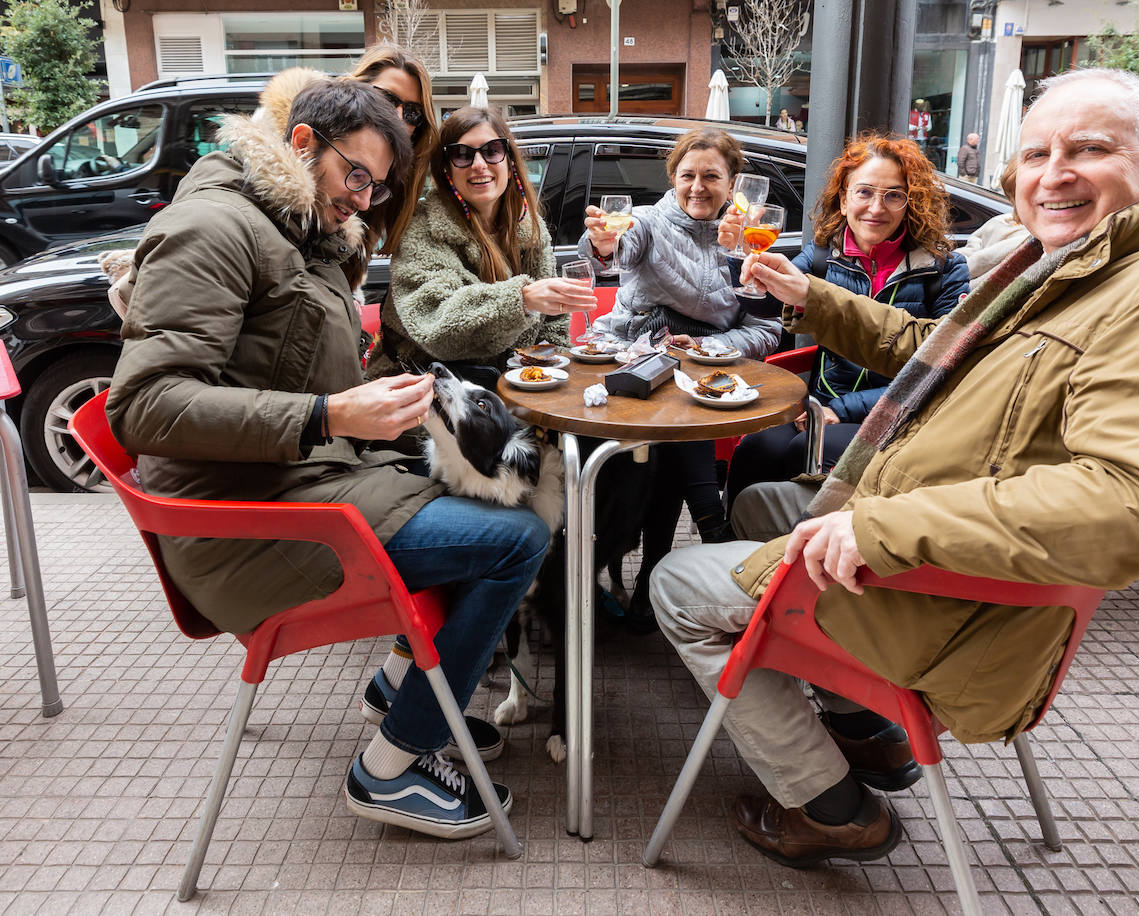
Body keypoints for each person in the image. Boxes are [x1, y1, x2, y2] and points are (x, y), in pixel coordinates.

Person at [649, 68, 1139, 867]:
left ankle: (832, 806)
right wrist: (814, 295)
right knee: (765, 501)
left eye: (1089, 150)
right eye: (1039, 152)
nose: (1054, 174)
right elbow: (932, 357)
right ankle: (865, 728)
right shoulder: (1079, 267)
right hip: (942, 546)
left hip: (965, 608)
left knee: (676, 584)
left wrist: (881, 526)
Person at [104, 79, 550, 841]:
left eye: (376, 187)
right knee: (519, 538)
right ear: (303, 143)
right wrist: (330, 414)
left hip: (296, 482)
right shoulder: (217, 226)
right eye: (357, 176)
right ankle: (392, 765)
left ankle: (407, 691)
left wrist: (388, 407)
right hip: (241, 523)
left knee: (497, 497)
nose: (364, 200)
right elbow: (144, 407)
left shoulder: (297, 232)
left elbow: (290, 367)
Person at [578, 128, 782, 624]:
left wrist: (711, 346)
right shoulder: (648, 221)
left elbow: (767, 326)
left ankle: (655, 577)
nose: (698, 187)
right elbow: (615, 249)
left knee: (678, 418)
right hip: (634, 355)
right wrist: (602, 244)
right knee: (675, 411)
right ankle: (706, 522)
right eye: (687, 175)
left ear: (732, 183)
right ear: (672, 179)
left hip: (702, 369)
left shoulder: (751, 238)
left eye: (711, 176)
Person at [723, 133, 969, 513]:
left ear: (910, 202)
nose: (876, 207)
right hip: (819, 403)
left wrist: (844, 409)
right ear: (844, 198)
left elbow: (946, 366)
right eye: (864, 192)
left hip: (895, 414)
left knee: (807, 453)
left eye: (893, 195)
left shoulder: (943, 269)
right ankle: (731, 548)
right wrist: (740, 253)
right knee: (756, 450)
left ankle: (795, 562)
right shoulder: (824, 257)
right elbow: (769, 303)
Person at [102, 43, 441, 317]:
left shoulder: (383, 186)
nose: (397, 117)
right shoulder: (279, 163)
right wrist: (328, 406)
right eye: (387, 99)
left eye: (411, 113)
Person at [365, 105, 594, 388]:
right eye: (462, 154)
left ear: (509, 159)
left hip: (512, 393)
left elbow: (553, 325)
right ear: (446, 168)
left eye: (492, 150)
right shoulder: (423, 229)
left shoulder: (530, 226)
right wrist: (520, 299)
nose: (479, 164)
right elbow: (436, 324)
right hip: (422, 397)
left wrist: (553, 379)